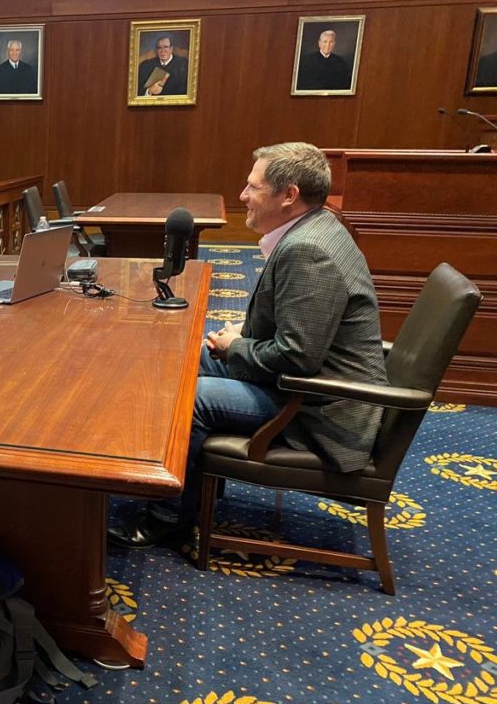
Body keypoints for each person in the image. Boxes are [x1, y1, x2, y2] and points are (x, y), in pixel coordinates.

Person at [109, 142, 387, 548]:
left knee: (189, 396)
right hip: (302, 383)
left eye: (252, 187)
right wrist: (242, 336)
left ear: (288, 195)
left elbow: (297, 357)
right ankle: (177, 476)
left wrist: (236, 346)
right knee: (181, 360)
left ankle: (169, 518)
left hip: (318, 407)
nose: (242, 197)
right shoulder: (318, 227)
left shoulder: (309, 251)